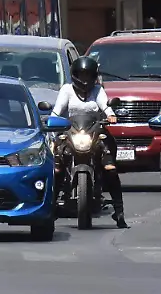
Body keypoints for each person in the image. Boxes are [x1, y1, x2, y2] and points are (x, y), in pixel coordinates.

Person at [51, 56, 128, 229]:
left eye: (88, 75)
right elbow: (57, 111)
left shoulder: (98, 90)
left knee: (110, 167)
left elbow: (105, 106)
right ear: (74, 75)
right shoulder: (66, 90)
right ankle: (50, 207)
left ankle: (119, 211)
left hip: (94, 132)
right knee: (57, 168)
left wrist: (110, 115)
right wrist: (52, 121)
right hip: (71, 132)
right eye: (82, 75)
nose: (85, 80)